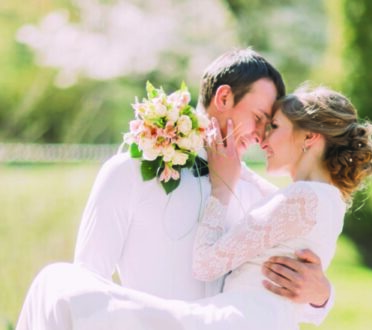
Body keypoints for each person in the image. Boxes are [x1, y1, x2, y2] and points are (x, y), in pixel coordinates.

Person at [16, 49, 333, 329]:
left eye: (269, 127)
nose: (261, 137)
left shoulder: (261, 197)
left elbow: (274, 302)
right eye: (258, 118)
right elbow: (87, 289)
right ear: (223, 98)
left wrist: (321, 295)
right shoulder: (129, 172)